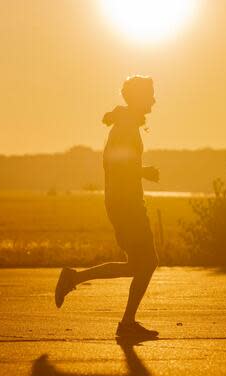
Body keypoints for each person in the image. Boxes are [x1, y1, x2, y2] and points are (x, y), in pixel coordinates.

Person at [55, 75, 160, 338]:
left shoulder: (126, 124)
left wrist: (140, 171)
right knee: (146, 263)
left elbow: (119, 163)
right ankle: (125, 323)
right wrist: (144, 171)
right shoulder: (125, 126)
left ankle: (76, 280)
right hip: (127, 206)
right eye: (150, 95)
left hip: (126, 203)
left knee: (140, 264)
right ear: (138, 98)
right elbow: (117, 163)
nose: (154, 100)